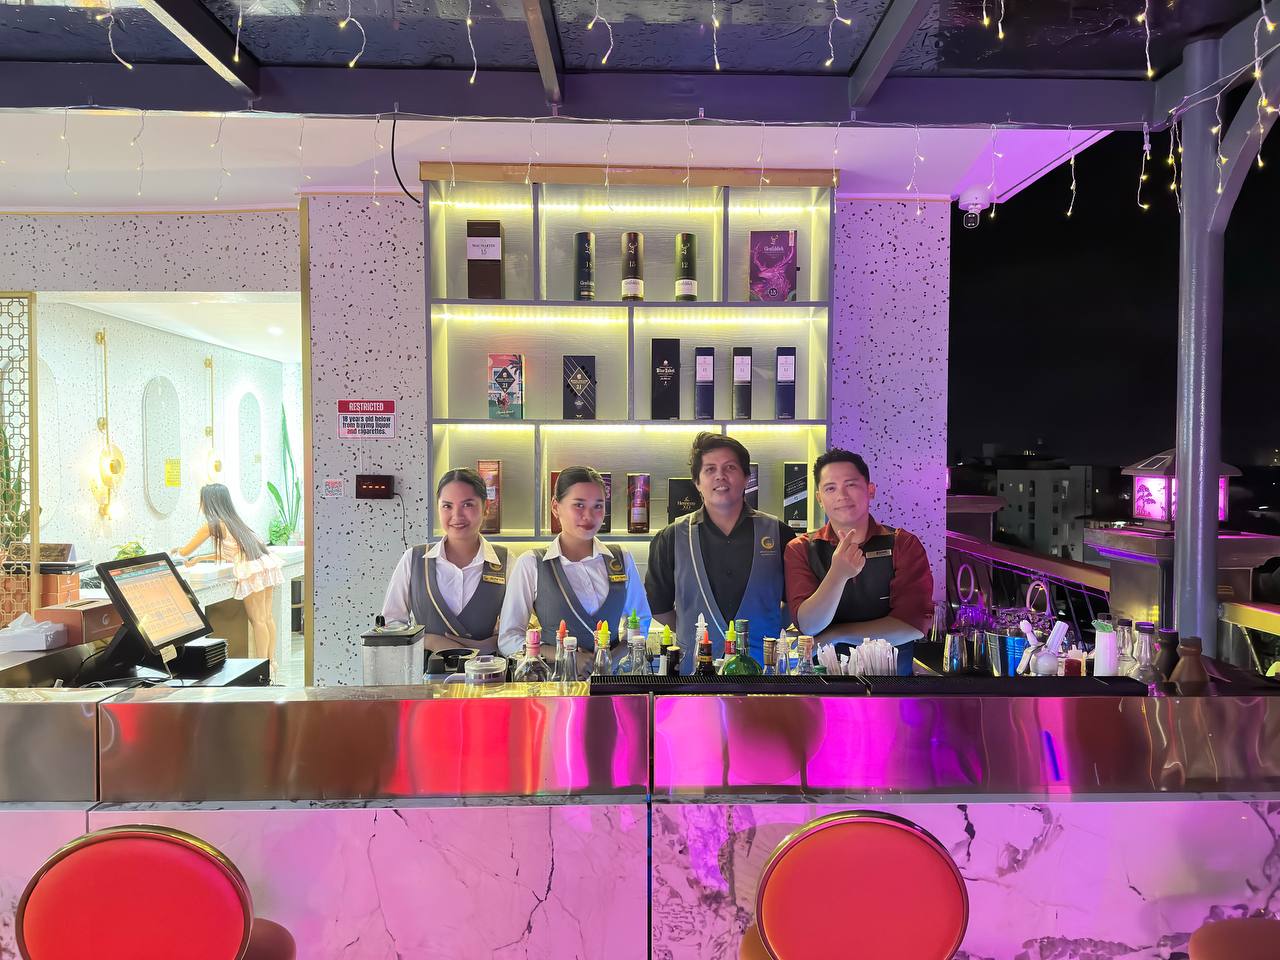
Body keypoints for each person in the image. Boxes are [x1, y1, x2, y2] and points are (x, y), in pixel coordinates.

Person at [646, 432, 796, 671]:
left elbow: (795, 603)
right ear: (697, 482)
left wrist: (768, 627)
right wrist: (695, 632)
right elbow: (659, 607)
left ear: (747, 477)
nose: (720, 476)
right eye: (710, 469)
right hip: (695, 671)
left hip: (764, 671)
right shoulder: (671, 537)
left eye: (730, 467)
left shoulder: (779, 533)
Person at [784, 449, 934, 676]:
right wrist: (837, 575)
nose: (842, 495)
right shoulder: (801, 548)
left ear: (870, 490)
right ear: (819, 499)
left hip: (893, 684)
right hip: (821, 683)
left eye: (851, 484)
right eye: (830, 488)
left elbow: (912, 626)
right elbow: (810, 625)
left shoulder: (903, 544)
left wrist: (836, 635)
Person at [498, 465, 650, 666]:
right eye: (579, 505)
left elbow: (641, 620)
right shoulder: (532, 563)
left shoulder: (621, 558)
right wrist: (562, 655)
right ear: (555, 507)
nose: (589, 515)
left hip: (610, 680)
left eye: (598, 506)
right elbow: (508, 639)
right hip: (553, 680)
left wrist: (612, 658)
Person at [382, 468, 507, 654]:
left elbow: (519, 630)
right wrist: (430, 641)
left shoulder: (506, 561)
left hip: (487, 669)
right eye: (447, 506)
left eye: (468, 505)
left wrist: (490, 644)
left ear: (486, 507)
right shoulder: (414, 560)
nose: (457, 516)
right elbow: (390, 627)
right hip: (425, 670)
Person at [173, 483, 285, 675]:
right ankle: (271, 662)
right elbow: (232, 552)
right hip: (265, 564)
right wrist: (200, 559)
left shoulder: (213, 524)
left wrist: (177, 551)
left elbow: (184, 552)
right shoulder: (234, 521)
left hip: (252, 570)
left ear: (209, 501)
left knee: (257, 620)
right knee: (266, 618)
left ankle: (261, 668)